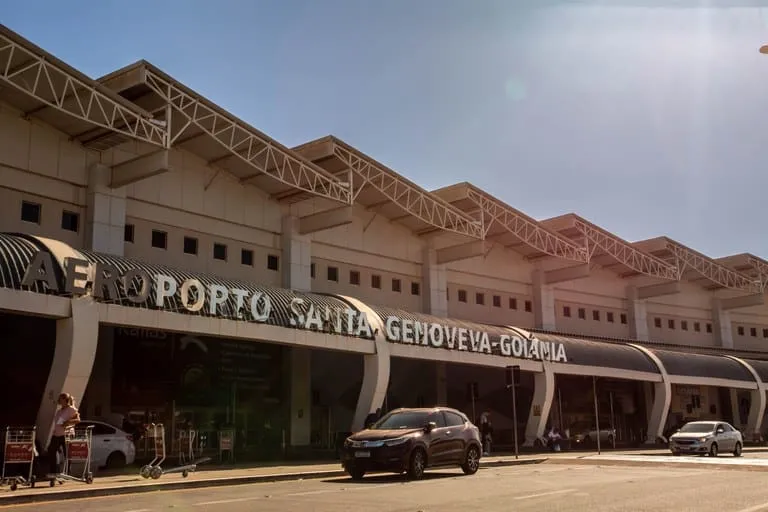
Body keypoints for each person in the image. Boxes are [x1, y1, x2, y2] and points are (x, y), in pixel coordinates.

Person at [47, 393, 80, 476]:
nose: (60, 400)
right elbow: (57, 423)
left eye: (62, 399)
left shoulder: (71, 409)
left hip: (66, 434)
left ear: (66, 400)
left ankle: (67, 472)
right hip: (57, 434)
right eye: (59, 399)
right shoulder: (59, 411)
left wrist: (68, 422)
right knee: (51, 450)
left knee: (67, 453)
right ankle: (54, 471)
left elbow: (78, 420)